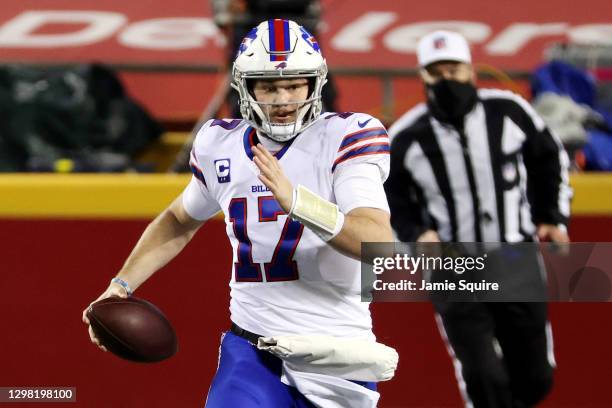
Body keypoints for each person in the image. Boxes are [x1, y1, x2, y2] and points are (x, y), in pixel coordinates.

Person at [83, 19, 394, 407]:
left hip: (337, 356)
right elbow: (179, 219)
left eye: (294, 84)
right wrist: (121, 285)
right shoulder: (220, 143)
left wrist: (300, 203)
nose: (282, 99)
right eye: (268, 86)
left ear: (315, 84)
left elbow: (377, 242)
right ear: (246, 87)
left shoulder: (347, 137)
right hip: (253, 347)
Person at [385, 30, 572, 407]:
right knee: (482, 374)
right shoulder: (406, 136)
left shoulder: (509, 110)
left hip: (515, 256)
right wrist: (415, 233)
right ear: (423, 76)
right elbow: (390, 196)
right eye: (436, 72)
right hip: (453, 263)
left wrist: (551, 216)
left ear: (471, 69)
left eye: (453, 69)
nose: (447, 79)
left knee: (535, 376)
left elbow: (547, 158)